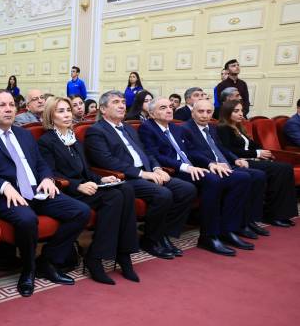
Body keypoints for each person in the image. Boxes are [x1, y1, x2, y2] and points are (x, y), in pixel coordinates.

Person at [0, 89, 90, 297]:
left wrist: (47, 178)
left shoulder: (24, 134)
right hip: (8, 194)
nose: (8, 109)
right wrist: (4, 186)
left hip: (37, 190)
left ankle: (47, 260)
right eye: (1, 105)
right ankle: (28, 269)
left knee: (81, 211)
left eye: (11, 105)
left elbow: (40, 163)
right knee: (27, 219)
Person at [38, 96, 139, 284]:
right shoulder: (46, 141)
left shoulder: (73, 139)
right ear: (50, 116)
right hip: (66, 191)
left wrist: (101, 179)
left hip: (85, 188)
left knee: (125, 189)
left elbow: (86, 170)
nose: (67, 115)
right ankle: (96, 257)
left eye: (68, 110)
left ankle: (122, 253)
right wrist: (78, 185)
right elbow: (50, 174)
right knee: (114, 197)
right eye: (60, 111)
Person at [85, 90, 197, 259]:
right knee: (163, 194)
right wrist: (142, 173)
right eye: (116, 102)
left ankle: (163, 234)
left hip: (147, 172)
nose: (122, 106)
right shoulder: (96, 131)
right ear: (103, 109)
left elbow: (146, 152)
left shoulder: (128, 127)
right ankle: (150, 240)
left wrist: (157, 168)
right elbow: (107, 161)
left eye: (123, 102)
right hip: (125, 178)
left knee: (187, 189)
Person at [139, 97, 252, 256]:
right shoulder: (147, 128)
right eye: (163, 108)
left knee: (241, 178)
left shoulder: (176, 127)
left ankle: (228, 229)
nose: (169, 110)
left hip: (192, 168)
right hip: (174, 170)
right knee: (213, 180)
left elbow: (191, 151)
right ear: (151, 114)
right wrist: (186, 167)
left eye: (170, 107)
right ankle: (208, 236)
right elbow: (155, 155)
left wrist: (210, 163)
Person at [182, 99, 269, 242]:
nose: (205, 115)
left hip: (225, 164)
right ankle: (230, 228)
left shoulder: (212, 127)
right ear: (193, 113)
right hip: (208, 167)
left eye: (209, 112)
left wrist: (235, 159)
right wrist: (211, 163)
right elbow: (191, 152)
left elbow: (221, 148)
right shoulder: (185, 128)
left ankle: (246, 221)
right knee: (243, 178)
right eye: (201, 111)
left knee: (258, 176)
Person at [218, 100, 297, 227]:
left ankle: (282, 214)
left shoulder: (238, 127)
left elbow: (254, 145)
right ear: (227, 113)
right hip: (241, 162)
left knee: (285, 168)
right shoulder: (223, 128)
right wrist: (257, 154)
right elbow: (229, 150)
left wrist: (264, 152)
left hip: (252, 159)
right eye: (236, 111)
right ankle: (273, 215)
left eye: (241, 110)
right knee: (281, 169)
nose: (241, 114)